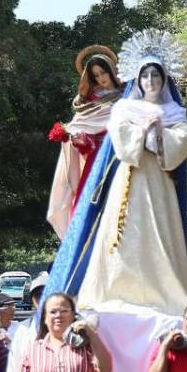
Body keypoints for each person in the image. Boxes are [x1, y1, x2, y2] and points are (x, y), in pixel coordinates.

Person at [74, 58, 187, 314]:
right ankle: (116, 290)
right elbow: (121, 140)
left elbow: (183, 140)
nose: (150, 81)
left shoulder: (174, 112)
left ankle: (164, 293)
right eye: (145, 76)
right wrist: (144, 131)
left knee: (161, 232)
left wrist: (160, 133)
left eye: (156, 76)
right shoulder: (125, 108)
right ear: (137, 81)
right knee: (124, 230)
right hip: (132, 176)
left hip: (159, 181)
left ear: (164, 81)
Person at [46, 45, 123, 238]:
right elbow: (80, 126)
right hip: (97, 157)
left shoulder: (126, 95)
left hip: (120, 154)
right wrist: (77, 138)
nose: (101, 78)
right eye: (96, 75)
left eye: (103, 72)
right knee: (89, 199)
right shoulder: (89, 102)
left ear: (112, 70)